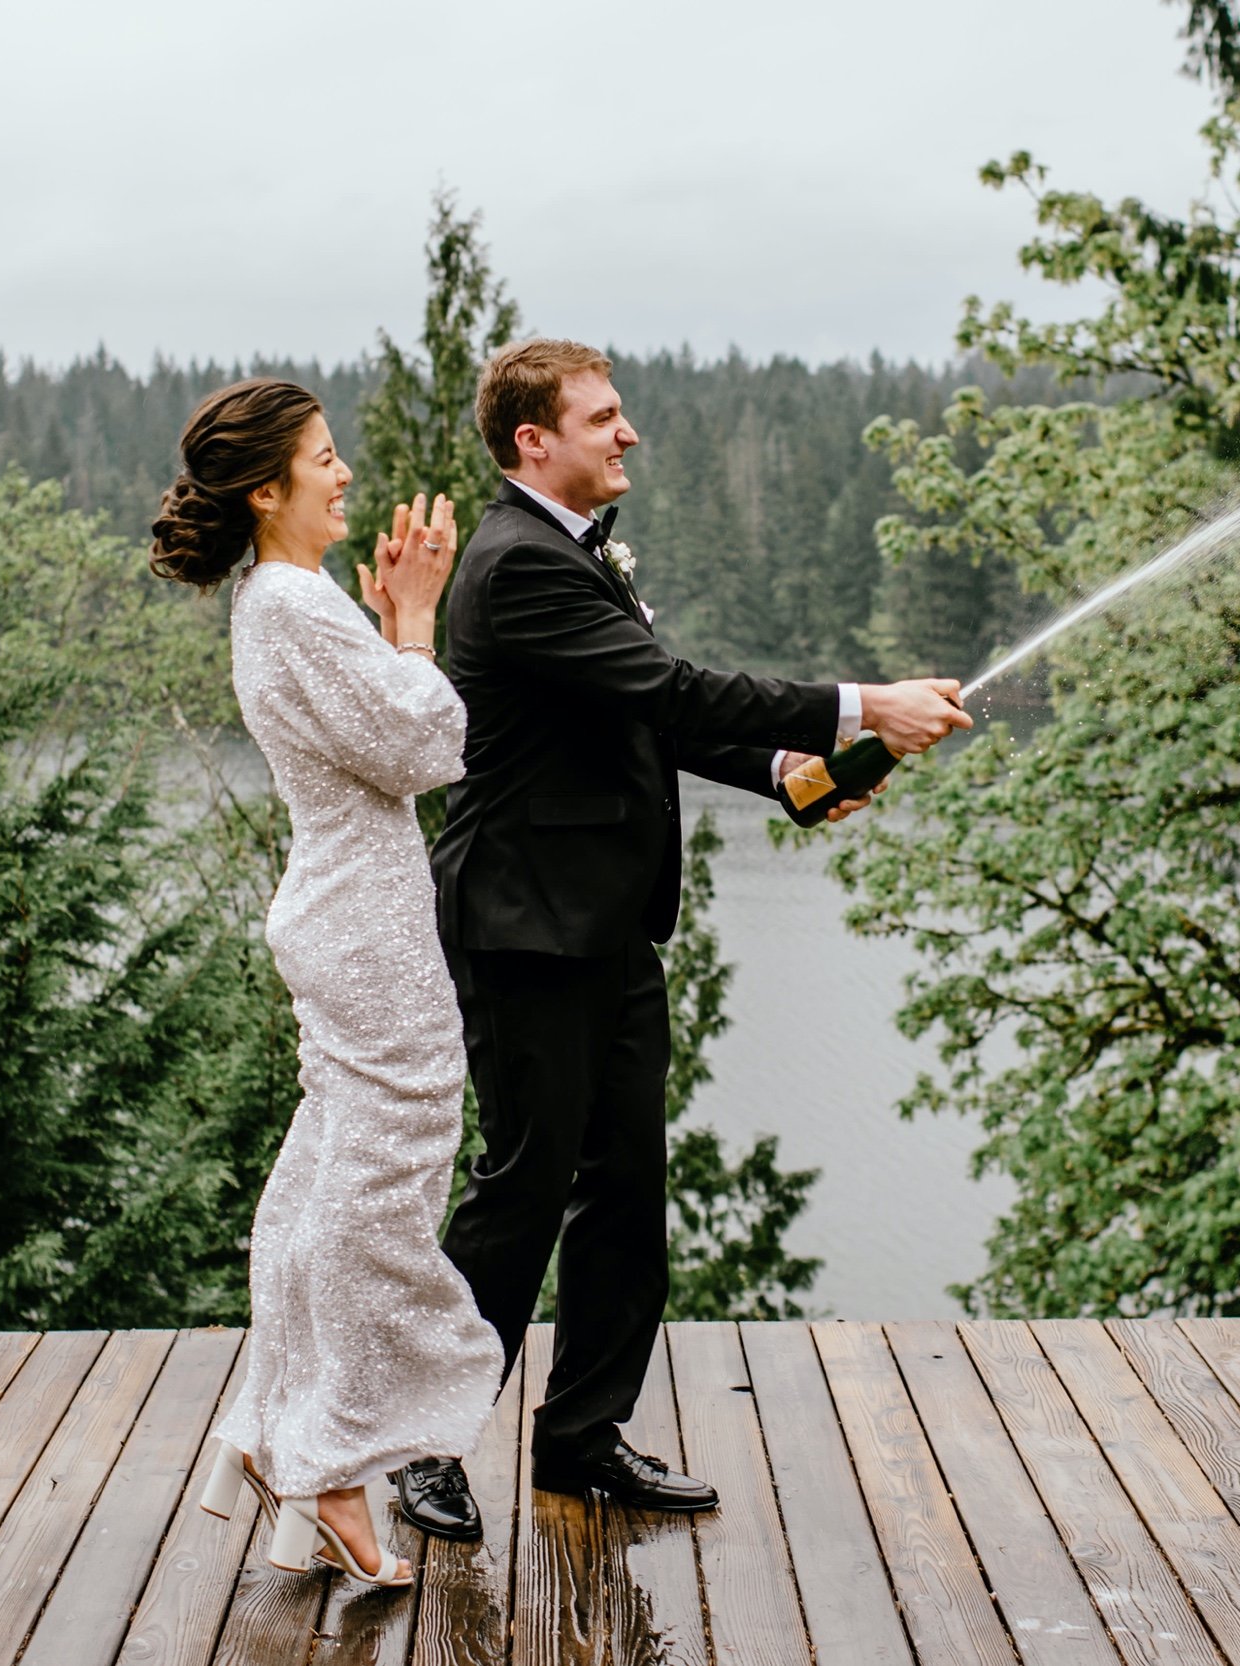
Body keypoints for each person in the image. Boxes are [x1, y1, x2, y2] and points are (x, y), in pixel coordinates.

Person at [395, 338, 970, 1537]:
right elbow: (672, 689)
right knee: (521, 1187)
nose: (630, 432)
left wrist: (786, 772)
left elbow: (643, 717)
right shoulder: (516, 568)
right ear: (531, 443)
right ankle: (420, 1441)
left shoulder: (572, 556)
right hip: (523, 929)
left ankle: (580, 1437)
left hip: (604, 924)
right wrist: (866, 705)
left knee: (625, 1188)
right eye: (604, 417)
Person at [148, 378, 503, 1588]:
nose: (345, 471)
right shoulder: (297, 607)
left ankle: (283, 1436)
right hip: (366, 928)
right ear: (268, 489)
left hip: (344, 910)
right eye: (324, 456)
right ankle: (334, 1457)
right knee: (382, 1183)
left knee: (319, 1180)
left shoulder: (276, 600)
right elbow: (426, 747)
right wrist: (413, 618)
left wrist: (391, 625)